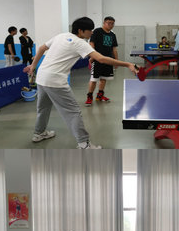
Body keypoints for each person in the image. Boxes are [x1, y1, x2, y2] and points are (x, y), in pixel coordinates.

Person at [24, 17, 137, 149]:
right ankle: (84, 144)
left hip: (42, 77)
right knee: (73, 112)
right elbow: (101, 59)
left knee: (43, 108)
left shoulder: (61, 36)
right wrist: (128, 64)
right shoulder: (80, 43)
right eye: (90, 30)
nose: (91, 32)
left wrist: (33, 66)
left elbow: (41, 48)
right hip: (55, 81)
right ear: (80, 30)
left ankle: (39, 133)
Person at [85, 16, 118, 106]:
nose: (111, 25)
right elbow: (91, 43)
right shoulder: (97, 31)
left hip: (108, 60)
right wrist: (92, 55)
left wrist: (116, 60)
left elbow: (114, 48)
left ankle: (100, 95)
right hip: (97, 59)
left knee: (104, 78)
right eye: (109, 23)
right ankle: (89, 96)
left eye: (112, 23)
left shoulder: (112, 35)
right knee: (94, 79)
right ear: (104, 23)